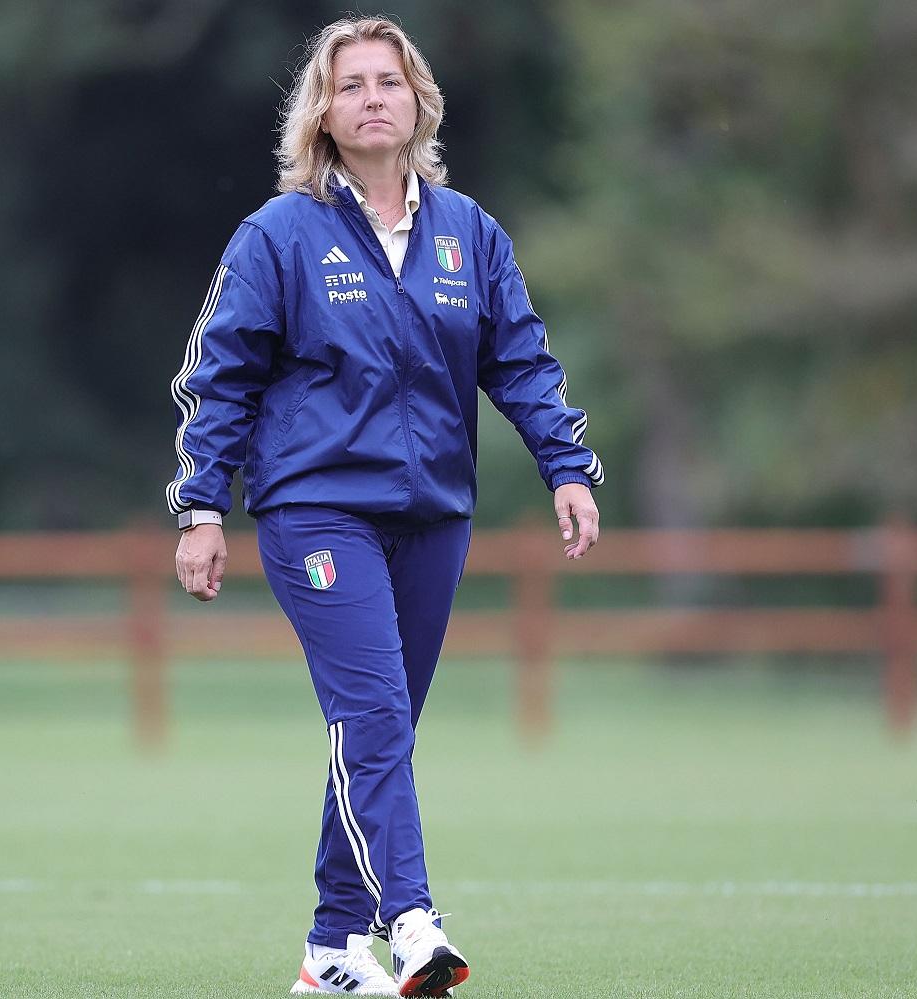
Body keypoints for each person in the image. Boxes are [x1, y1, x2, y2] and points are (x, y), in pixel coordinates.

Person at [166, 16, 602, 997]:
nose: (372, 97)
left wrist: (567, 467)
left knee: (382, 730)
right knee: (371, 713)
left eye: (389, 81)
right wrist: (201, 508)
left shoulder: (469, 234)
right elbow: (219, 378)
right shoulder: (279, 236)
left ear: (420, 104)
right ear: (322, 113)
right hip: (317, 510)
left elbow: (521, 362)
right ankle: (411, 921)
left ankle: (331, 950)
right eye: (351, 84)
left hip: (435, 514)